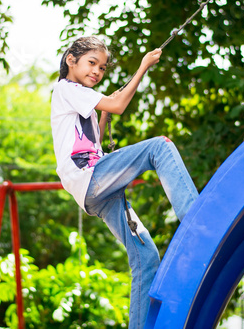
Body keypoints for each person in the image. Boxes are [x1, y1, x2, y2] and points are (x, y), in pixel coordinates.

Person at [51, 35, 198, 328]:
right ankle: (197, 218)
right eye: (92, 63)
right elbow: (119, 105)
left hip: (95, 190)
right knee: (159, 147)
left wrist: (102, 113)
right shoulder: (66, 88)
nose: (97, 71)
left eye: (103, 68)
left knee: (146, 258)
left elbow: (94, 143)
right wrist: (143, 67)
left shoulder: (82, 101)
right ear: (71, 60)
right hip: (90, 177)